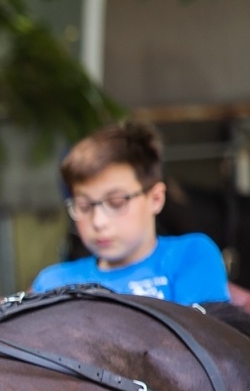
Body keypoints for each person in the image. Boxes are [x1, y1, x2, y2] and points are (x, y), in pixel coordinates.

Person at [31, 121, 230, 305]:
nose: (99, 222)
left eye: (116, 202)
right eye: (84, 206)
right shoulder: (53, 283)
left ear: (156, 198)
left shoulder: (190, 257)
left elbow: (201, 339)